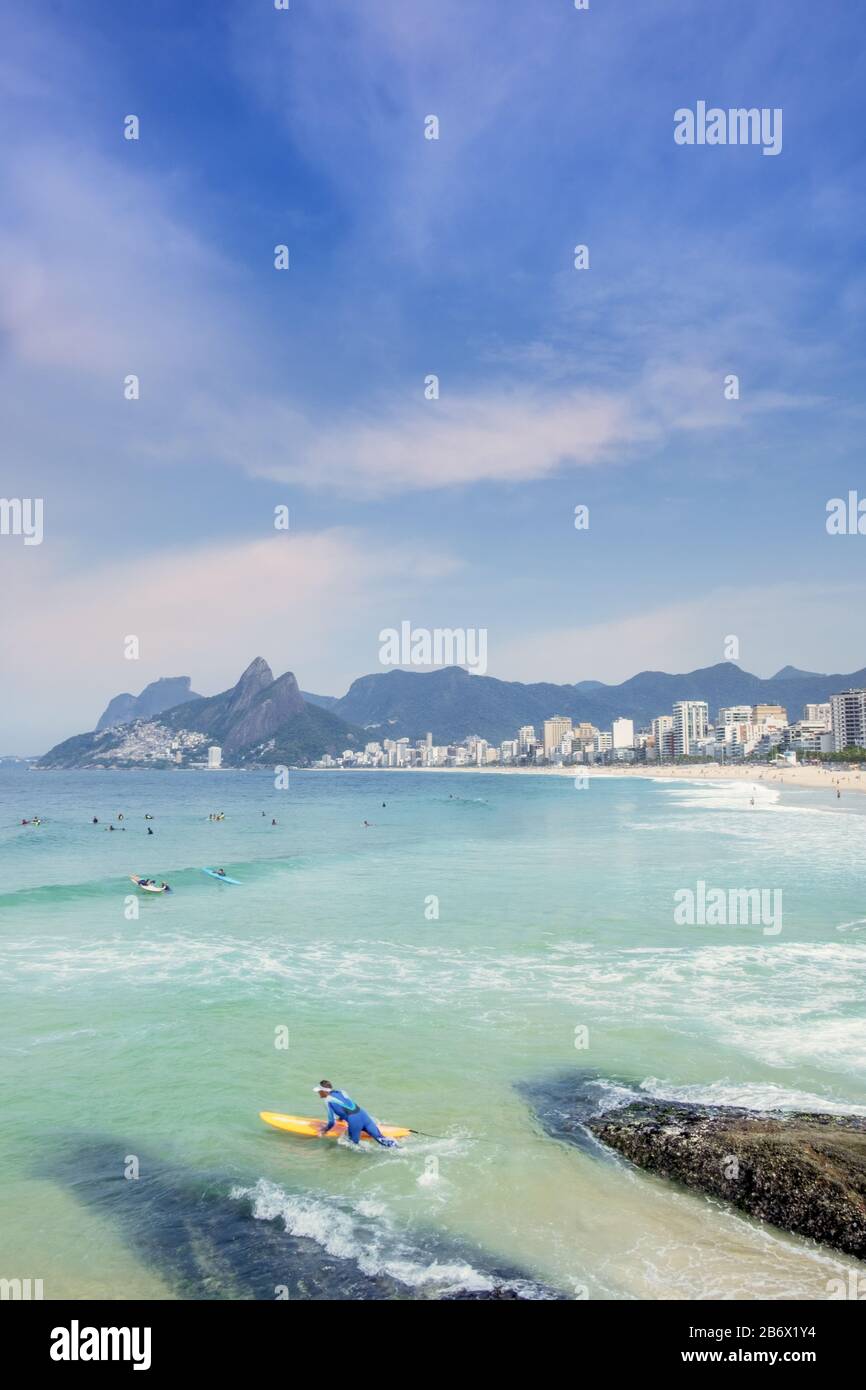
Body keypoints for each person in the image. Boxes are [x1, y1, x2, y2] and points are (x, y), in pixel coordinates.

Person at [313, 1080, 398, 1148]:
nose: (318, 1093)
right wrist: (341, 1118)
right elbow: (346, 1105)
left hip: (354, 1121)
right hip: (364, 1115)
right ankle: (400, 1148)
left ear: (324, 1091)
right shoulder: (342, 1092)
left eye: (319, 1091)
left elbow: (331, 1122)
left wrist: (324, 1130)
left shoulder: (327, 1100)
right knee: (382, 1139)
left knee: (353, 1146)